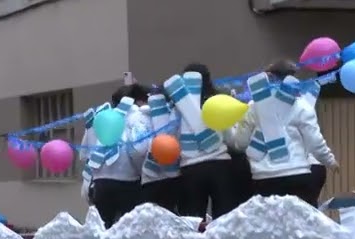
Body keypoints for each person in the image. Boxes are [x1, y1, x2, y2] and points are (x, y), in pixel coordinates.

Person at [231, 61, 338, 206]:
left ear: (268, 77)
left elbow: (241, 142)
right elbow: (314, 141)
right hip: (298, 173)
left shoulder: (253, 106)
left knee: (271, 226)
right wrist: (330, 161)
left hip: (264, 177)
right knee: (302, 226)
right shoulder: (302, 106)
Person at [174, 63, 243, 220]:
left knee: (192, 223)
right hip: (220, 165)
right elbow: (231, 138)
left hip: (190, 168)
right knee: (225, 221)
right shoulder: (218, 102)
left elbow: (174, 138)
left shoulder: (177, 107)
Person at [82, 83, 151, 228]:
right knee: (128, 231)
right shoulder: (137, 117)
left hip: (100, 183)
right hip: (127, 181)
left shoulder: (100, 117)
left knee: (103, 230)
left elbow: (86, 154)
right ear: (136, 101)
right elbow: (138, 151)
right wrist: (142, 173)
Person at [141, 84, 181, 212]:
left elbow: (138, 149)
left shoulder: (144, 115)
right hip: (174, 174)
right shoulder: (177, 114)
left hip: (150, 176)